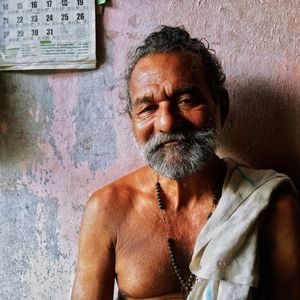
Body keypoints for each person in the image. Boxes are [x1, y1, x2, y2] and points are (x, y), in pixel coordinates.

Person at [71, 26, 300, 299]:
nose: (167, 123)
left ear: (221, 107)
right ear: (132, 120)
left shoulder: (269, 205)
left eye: (186, 100)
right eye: (148, 108)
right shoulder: (108, 210)